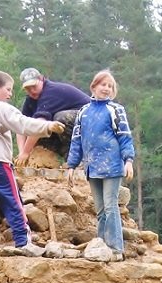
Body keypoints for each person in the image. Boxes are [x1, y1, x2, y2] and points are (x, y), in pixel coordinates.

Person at [0, 70, 65, 266]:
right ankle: (23, 242)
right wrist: (48, 127)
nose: (10, 94)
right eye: (8, 89)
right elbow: (23, 124)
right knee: (12, 200)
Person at [67, 70, 136, 262]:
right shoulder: (83, 112)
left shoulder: (115, 109)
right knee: (99, 209)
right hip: (92, 167)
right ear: (94, 86)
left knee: (110, 205)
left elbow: (124, 136)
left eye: (110, 86)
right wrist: (71, 165)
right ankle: (101, 244)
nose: (106, 89)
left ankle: (115, 248)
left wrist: (128, 160)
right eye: (103, 85)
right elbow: (76, 140)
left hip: (112, 165)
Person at [16, 67, 91, 165]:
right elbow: (22, 126)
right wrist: (22, 152)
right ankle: (59, 162)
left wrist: (26, 152)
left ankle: (81, 160)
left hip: (91, 122)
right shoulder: (31, 99)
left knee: (60, 119)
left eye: (34, 86)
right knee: (40, 134)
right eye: (28, 89)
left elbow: (39, 123)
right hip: (73, 129)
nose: (32, 91)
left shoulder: (50, 92)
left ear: (42, 79)